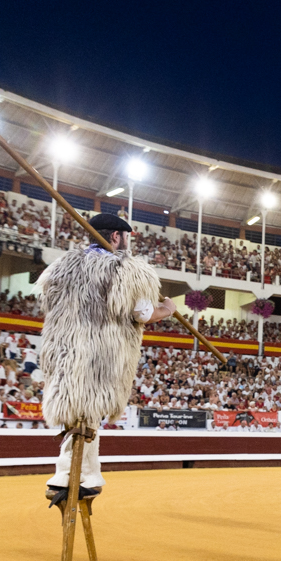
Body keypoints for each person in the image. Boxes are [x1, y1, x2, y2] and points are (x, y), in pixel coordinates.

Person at [39, 213, 174, 506]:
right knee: (89, 413)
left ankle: (69, 474)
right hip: (101, 355)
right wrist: (167, 309)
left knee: (79, 414)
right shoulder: (127, 270)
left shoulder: (60, 267)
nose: (128, 243)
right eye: (127, 237)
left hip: (64, 352)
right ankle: (81, 476)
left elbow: (48, 301)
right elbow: (143, 315)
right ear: (115, 236)